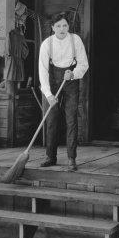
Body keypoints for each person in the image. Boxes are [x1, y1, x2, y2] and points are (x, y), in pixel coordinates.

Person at [38, 12, 89, 171]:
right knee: (51, 119)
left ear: (69, 26)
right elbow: (43, 72)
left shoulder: (76, 40)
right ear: (53, 27)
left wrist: (73, 73)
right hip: (52, 82)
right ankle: (50, 156)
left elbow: (84, 64)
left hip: (71, 81)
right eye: (58, 26)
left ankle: (71, 158)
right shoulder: (47, 44)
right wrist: (48, 94)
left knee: (71, 119)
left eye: (65, 25)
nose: (62, 29)